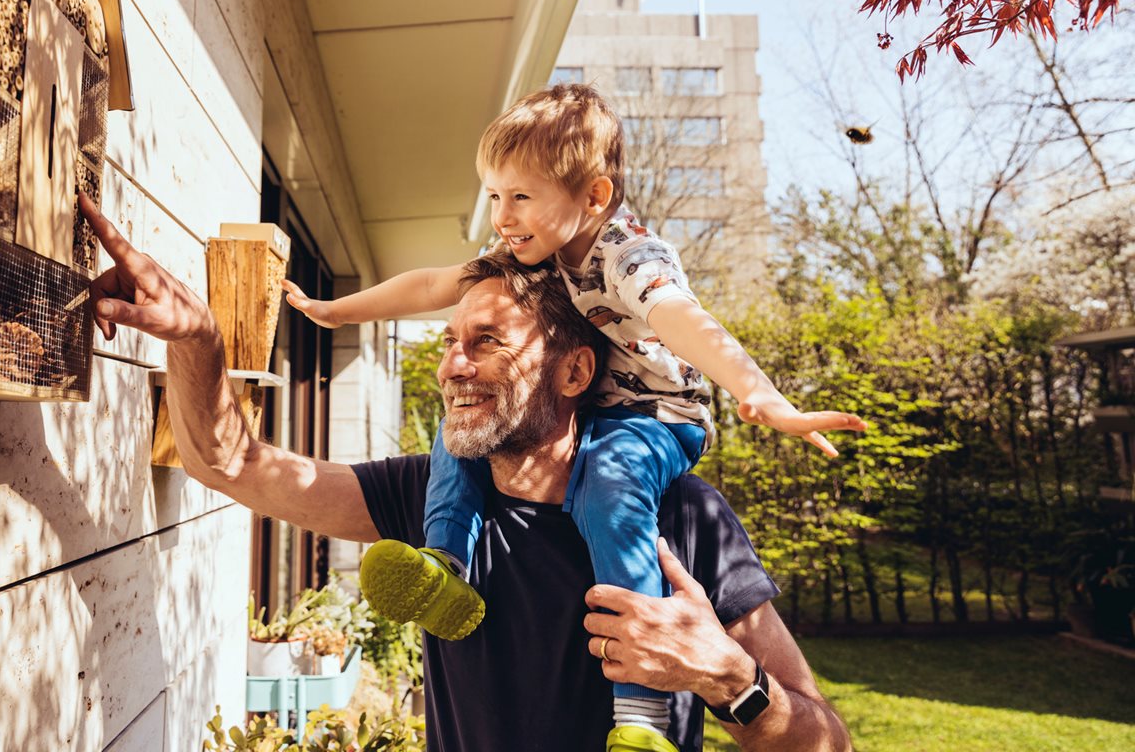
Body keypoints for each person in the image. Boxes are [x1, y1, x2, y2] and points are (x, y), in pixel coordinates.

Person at [76, 193, 851, 752]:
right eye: (448, 340)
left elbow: (829, 745)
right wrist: (197, 339)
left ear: (576, 371)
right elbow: (233, 462)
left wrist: (730, 680)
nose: (450, 366)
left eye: (485, 344)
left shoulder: (684, 516)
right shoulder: (431, 494)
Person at [281, 83, 866, 751]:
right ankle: (445, 568)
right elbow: (431, 284)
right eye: (495, 196)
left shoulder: (626, 255)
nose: (502, 215)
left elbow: (681, 319)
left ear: (593, 195)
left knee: (608, 489)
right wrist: (334, 312)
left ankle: (640, 720)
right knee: (462, 436)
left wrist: (756, 389)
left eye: (520, 196)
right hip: (595, 411)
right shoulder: (529, 255)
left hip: (653, 418)